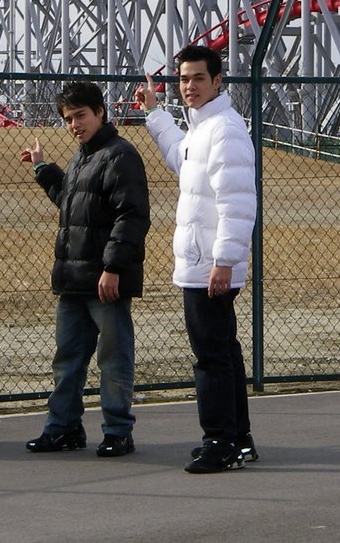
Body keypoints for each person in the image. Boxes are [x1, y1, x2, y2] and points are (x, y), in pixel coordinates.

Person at [135, 45, 258, 473]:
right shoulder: (203, 128)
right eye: (184, 79)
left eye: (198, 78)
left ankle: (220, 442)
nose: (189, 86)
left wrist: (224, 260)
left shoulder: (224, 129)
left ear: (218, 80)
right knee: (223, 350)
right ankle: (238, 438)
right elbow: (180, 155)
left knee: (210, 356)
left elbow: (238, 202)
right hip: (203, 260)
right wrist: (154, 113)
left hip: (209, 264)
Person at [20, 81, 151, 458]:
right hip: (74, 280)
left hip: (103, 281)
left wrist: (112, 268)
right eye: (68, 119)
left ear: (100, 113)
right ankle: (63, 428)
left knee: (114, 359)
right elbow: (72, 205)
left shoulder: (120, 155)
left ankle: (118, 431)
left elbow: (131, 216)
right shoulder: (82, 157)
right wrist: (44, 168)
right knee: (67, 360)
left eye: (80, 115)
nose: (74, 124)